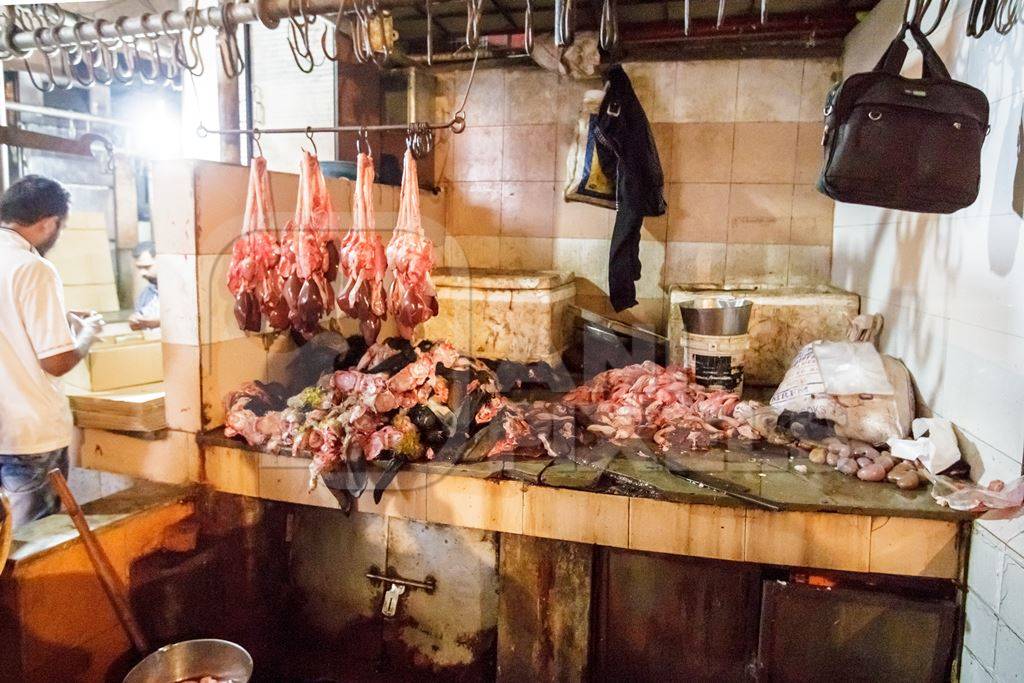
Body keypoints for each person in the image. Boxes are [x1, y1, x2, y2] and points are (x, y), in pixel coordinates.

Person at [0, 175, 104, 527]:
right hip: (29, 436)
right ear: (48, 222)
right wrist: (87, 334)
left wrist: (59, 319)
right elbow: (56, 362)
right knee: (32, 547)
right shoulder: (33, 268)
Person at [129, 240, 160, 330]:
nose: (142, 273)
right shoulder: (145, 294)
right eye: (139, 268)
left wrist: (159, 323)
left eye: (147, 267)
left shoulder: (182, 290)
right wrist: (134, 322)